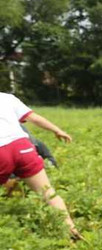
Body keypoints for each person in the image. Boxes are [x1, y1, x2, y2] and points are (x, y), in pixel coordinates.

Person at [0, 92, 79, 237]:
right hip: (23, 147)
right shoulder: (7, 98)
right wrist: (57, 130)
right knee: (48, 193)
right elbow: (34, 118)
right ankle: (72, 230)